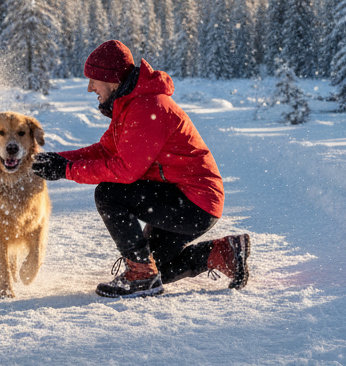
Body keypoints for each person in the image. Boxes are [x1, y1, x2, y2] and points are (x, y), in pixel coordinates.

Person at [32, 39, 250, 298]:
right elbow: (105, 150)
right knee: (161, 268)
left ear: (112, 79)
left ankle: (140, 276)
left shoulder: (148, 107)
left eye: (94, 80)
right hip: (183, 197)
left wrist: (67, 170)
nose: (90, 88)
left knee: (109, 193)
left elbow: (125, 170)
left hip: (194, 202)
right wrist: (58, 159)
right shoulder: (130, 103)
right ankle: (225, 254)